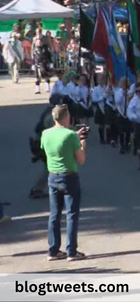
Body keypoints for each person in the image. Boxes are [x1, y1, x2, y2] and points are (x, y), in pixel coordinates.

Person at [40, 104, 87, 261]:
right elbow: (81, 159)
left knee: (54, 214)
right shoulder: (70, 136)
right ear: (66, 117)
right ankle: (71, 251)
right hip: (69, 176)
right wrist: (81, 145)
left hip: (52, 176)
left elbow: (52, 147)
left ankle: (53, 250)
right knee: (72, 214)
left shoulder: (46, 133)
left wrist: (73, 136)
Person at [32, 27, 53, 94]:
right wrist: (33, 62)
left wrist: (50, 62)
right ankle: (37, 89)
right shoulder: (34, 40)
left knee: (46, 75)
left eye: (39, 31)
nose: (39, 43)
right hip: (37, 62)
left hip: (45, 61)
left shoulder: (45, 42)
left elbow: (49, 51)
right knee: (37, 76)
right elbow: (32, 48)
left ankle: (47, 87)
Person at [91, 74, 107, 144]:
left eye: (102, 79)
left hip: (106, 106)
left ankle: (109, 138)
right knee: (101, 124)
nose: (101, 81)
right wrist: (102, 97)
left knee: (107, 124)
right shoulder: (95, 89)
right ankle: (102, 138)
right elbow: (94, 99)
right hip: (100, 107)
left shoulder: (107, 88)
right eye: (100, 79)